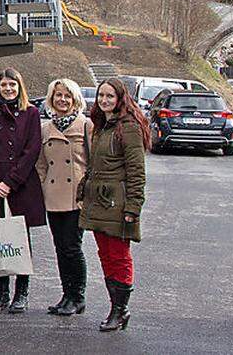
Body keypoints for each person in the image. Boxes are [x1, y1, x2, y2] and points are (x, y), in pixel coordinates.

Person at [0, 67, 46, 313]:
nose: (8, 89)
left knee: (19, 240)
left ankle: (21, 293)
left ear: (19, 87)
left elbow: (32, 150)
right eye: (4, 85)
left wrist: (10, 182)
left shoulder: (31, 113)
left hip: (19, 185)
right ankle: (2, 292)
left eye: (12, 85)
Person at [81, 78, 148, 332]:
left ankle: (120, 310)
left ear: (120, 99)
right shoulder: (102, 125)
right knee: (105, 255)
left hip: (117, 202)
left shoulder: (127, 127)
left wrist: (133, 207)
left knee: (119, 256)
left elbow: (136, 171)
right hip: (98, 201)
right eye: (101, 96)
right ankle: (115, 307)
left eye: (110, 96)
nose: (105, 100)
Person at [37, 78, 93, 317]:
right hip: (53, 195)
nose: (62, 100)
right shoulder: (45, 128)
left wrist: (87, 194)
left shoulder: (85, 125)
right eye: (58, 95)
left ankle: (77, 297)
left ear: (75, 99)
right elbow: (41, 164)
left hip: (76, 197)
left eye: (67, 96)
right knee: (60, 248)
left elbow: (94, 163)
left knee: (72, 247)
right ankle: (66, 294)